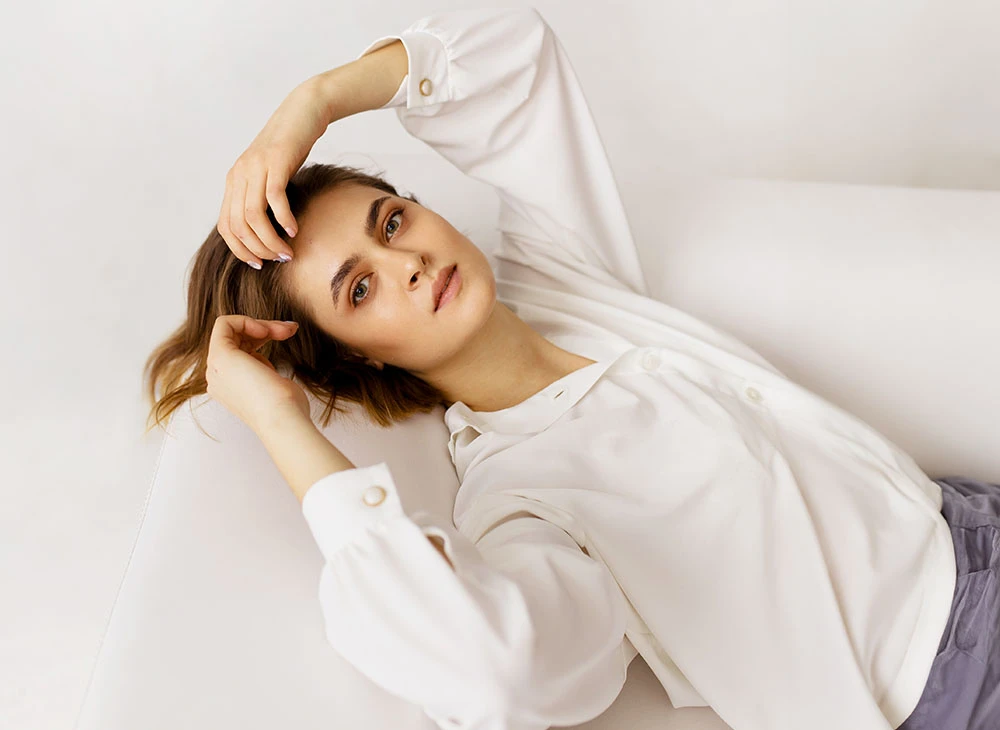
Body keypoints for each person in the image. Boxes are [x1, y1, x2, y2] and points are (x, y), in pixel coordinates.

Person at [143, 7, 999, 730]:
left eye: (392, 221)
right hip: (950, 671)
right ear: (355, 355)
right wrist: (278, 420)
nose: (404, 261)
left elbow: (511, 53)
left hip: (963, 515)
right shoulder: (520, 500)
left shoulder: (566, 280)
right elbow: (493, 668)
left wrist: (315, 104)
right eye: (361, 287)